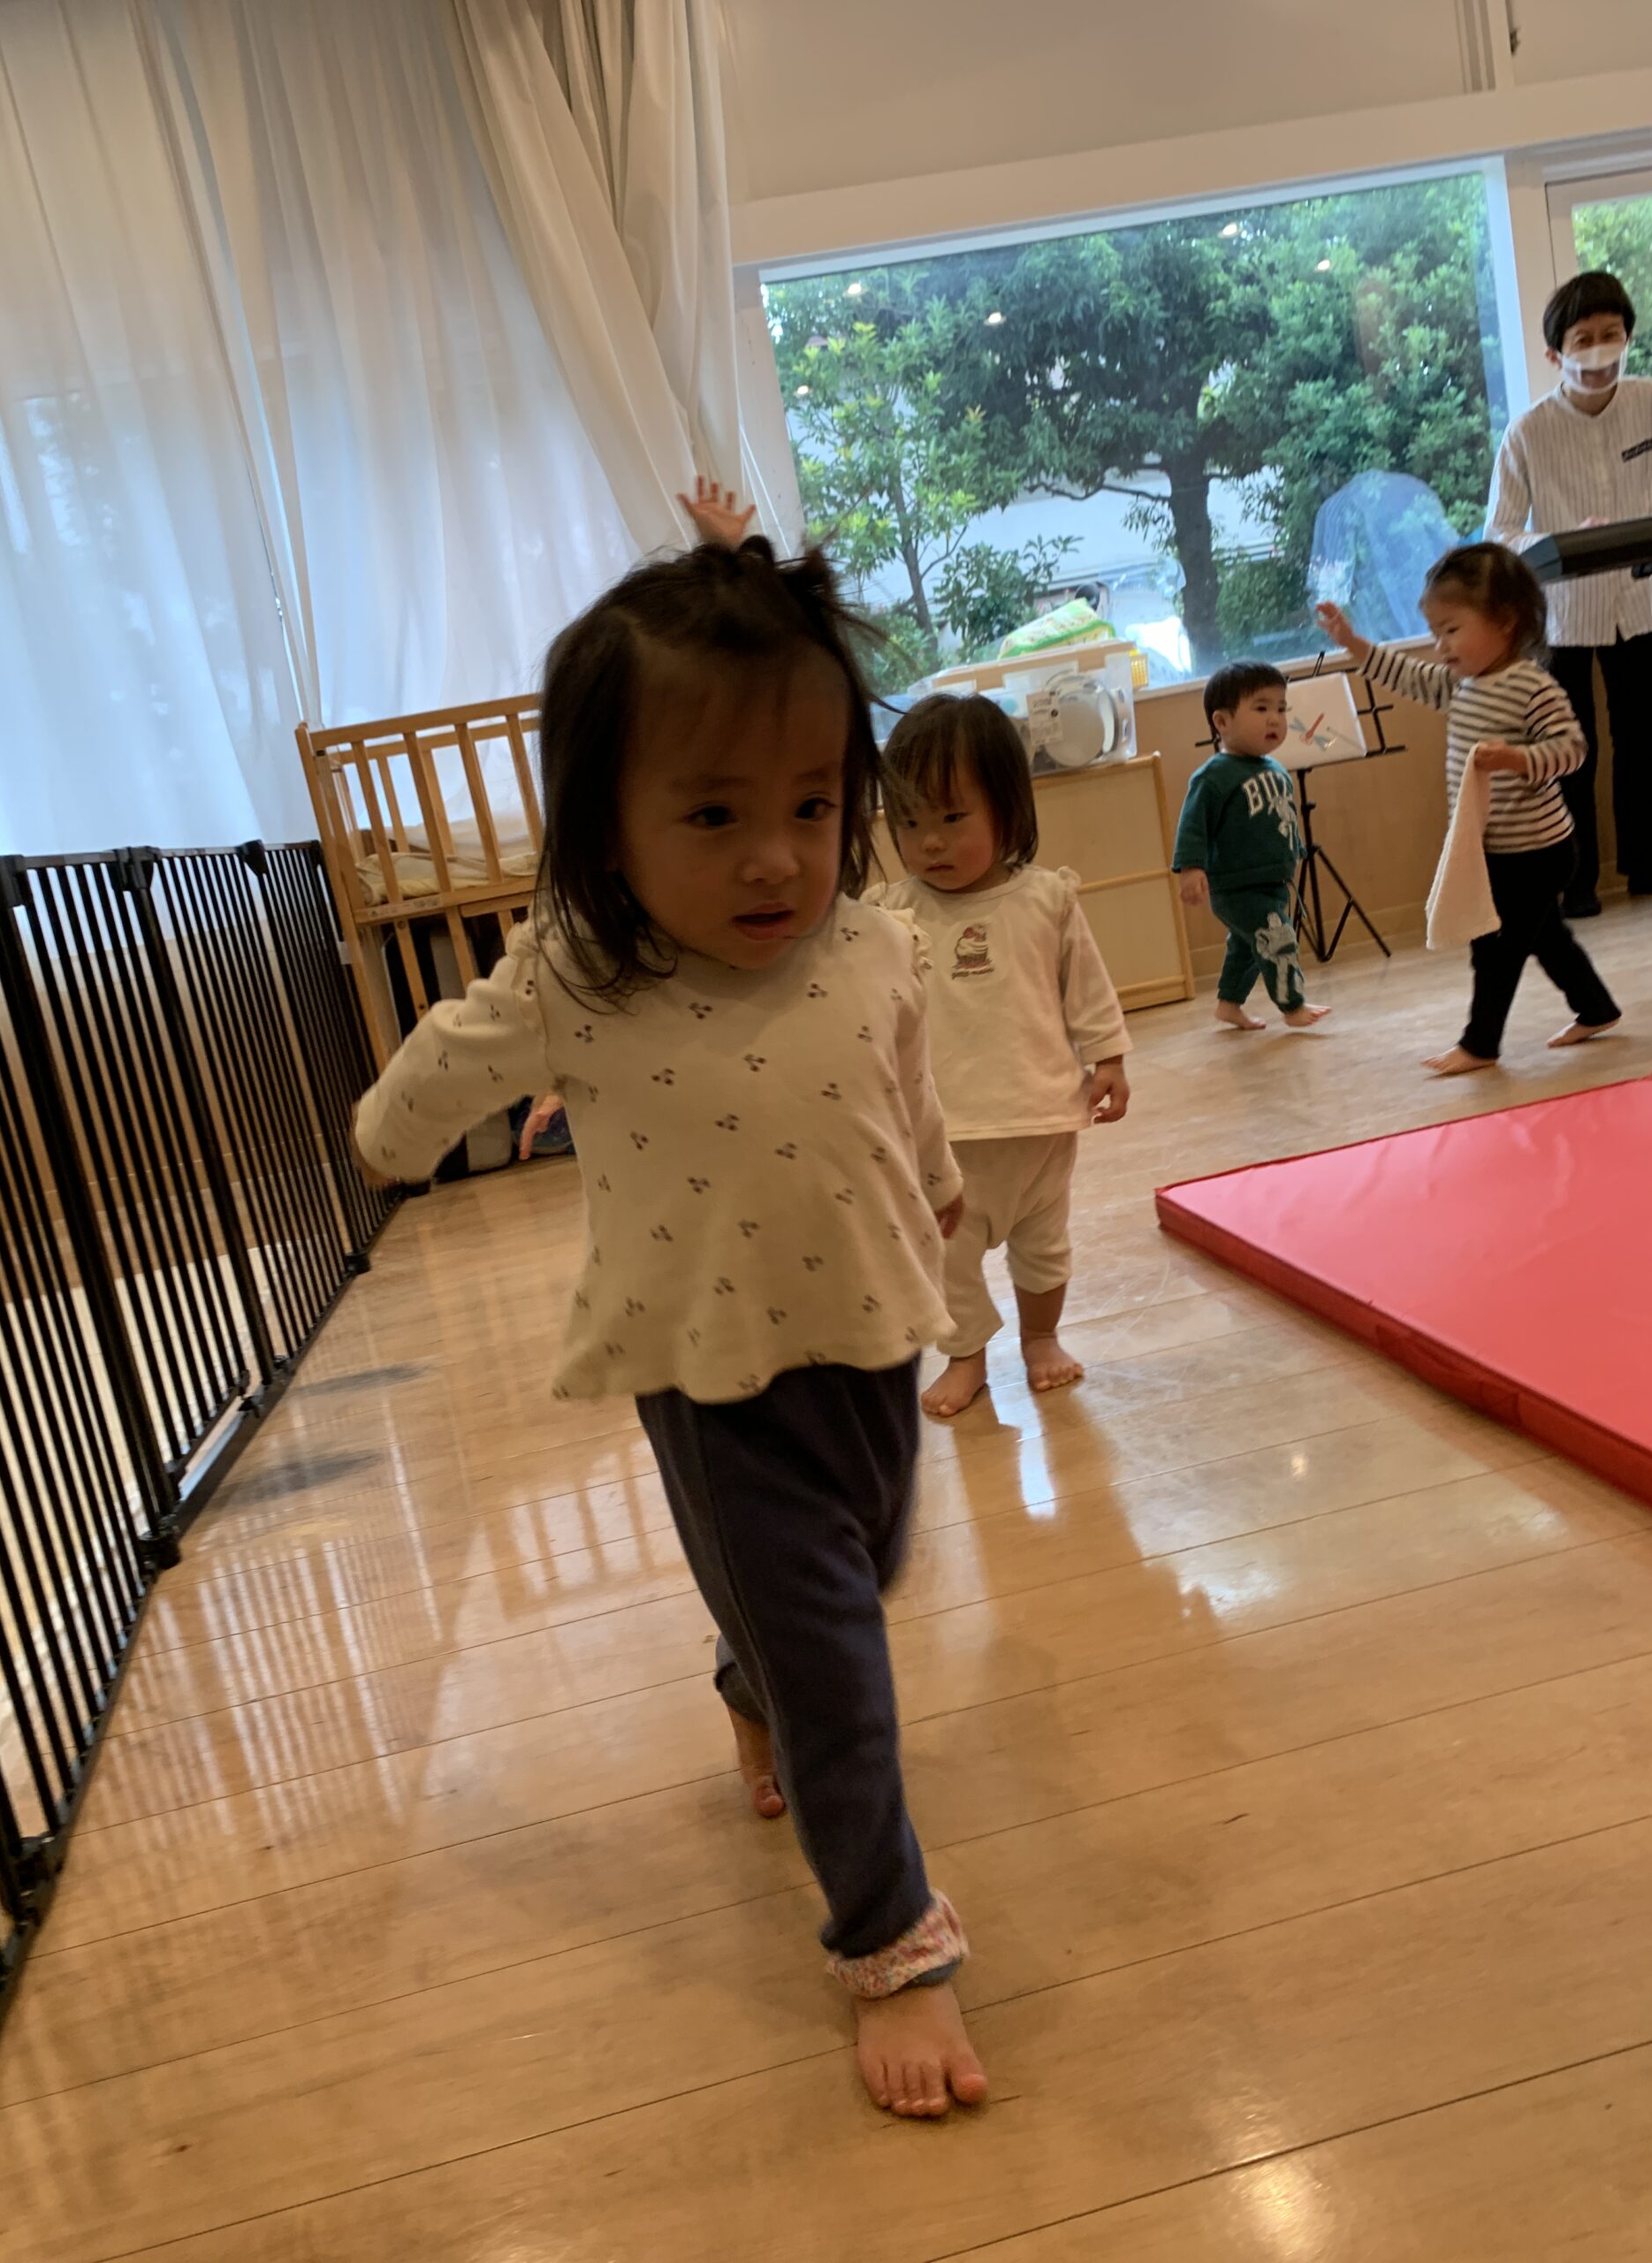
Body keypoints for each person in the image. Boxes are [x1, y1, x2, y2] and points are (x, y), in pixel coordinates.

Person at [351, 514, 989, 2121]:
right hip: (711, 1381)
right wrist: (385, 1138)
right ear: (608, 834)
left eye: (811, 805)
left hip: (871, 1336)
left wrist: (938, 1185)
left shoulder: (873, 943)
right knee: (842, 1665)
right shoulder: (581, 971)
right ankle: (891, 1942)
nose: (774, 856)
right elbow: (449, 1054)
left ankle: (745, 1679)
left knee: (867, 1574)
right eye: (713, 814)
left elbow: (903, 1087)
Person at [870, 694, 1131, 1421]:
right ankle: (966, 1356)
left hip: (1041, 1121)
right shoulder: (889, 914)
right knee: (948, 1260)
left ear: (1009, 813)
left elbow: (1086, 989)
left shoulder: (1047, 900)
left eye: (953, 818)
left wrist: (1108, 1057)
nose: (930, 843)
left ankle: (1041, 1338)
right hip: (941, 1138)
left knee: (1045, 1249)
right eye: (909, 823)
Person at [1319, 542, 1621, 1075]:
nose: (1441, 646)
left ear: (1505, 622)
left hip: (1537, 850)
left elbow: (1573, 748)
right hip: (1499, 848)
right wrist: (1353, 642)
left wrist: (1517, 758)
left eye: (1452, 630)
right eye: (1435, 632)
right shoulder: (1461, 684)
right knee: (1546, 936)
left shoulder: (1531, 685)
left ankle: (1480, 1044)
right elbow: (1405, 675)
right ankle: (1596, 1009)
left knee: (1495, 947)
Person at [1487, 270, 1652, 915]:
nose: (1600, 349)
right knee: (1570, 751)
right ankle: (1576, 883)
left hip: (1645, 606)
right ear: (1555, 354)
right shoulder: (1527, 432)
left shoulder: (1649, 400)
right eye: (1584, 339)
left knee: (1645, 742)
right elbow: (1499, 533)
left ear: (1629, 339)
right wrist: (1561, 538)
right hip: (1563, 618)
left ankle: (1645, 865)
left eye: (1612, 334)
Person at [1172, 660, 1331, 1034]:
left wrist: (1294, 852)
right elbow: (1193, 826)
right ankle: (1292, 1005)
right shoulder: (1213, 776)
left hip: (1271, 881)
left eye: (1281, 708)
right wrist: (1190, 868)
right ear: (1222, 722)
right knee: (1277, 938)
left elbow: (1280, 820)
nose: (1275, 718)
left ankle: (1229, 1005)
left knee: (1246, 947)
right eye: (1261, 708)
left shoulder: (1274, 769)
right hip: (1236, 886)